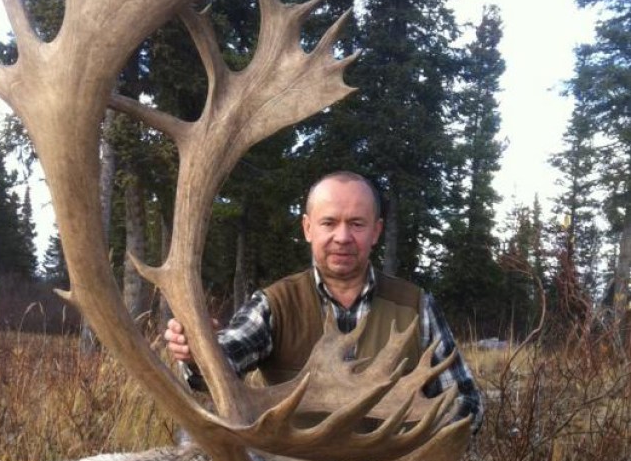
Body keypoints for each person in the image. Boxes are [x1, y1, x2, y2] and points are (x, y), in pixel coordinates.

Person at [165, 170, 483, 431]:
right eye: (329, 223)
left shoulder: (416, 307)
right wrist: (198, 353)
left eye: (356, 224)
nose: (342, 237)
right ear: (308, 228)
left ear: (376, 231)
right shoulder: (275, 305)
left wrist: (413, 436)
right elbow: (225, 359)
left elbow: (468, 405)